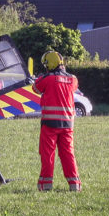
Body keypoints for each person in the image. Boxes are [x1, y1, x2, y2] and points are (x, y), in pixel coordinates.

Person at [32, 51, 81, 192]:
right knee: (68, 153)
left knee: (48, 154)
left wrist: (40, 77)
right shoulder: (73, 79)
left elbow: (35, 88)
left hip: (50, 124)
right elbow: (73, 87)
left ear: (50, 64)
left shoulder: (46, 79)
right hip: (67, 124)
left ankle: (45, 185)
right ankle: (75, 184)